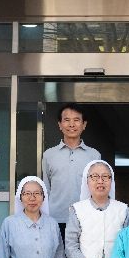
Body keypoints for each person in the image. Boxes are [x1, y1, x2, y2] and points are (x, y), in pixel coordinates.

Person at [65, 160, 129, 258]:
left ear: (111, 181)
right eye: (94, 177)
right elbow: (71, 245)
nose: (100, 181)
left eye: (105, 177)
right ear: (87, 181)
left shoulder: (123, 210)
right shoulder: (77, 209)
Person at [0, 176, 68, 258]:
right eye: (27, 193)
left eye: (37, 193)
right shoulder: (9, 223)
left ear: (43, 197)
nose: (32, 198)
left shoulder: (52, 224)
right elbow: (2, 257)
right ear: (20, 197)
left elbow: (59, 257)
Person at [41, 103, 101, 241]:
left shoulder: (94, 155)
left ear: (84, 124)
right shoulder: (49, 155)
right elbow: (46, 188)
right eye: (67, 120)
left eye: (76, 120)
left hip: (85, 218)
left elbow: (98, 189)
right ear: (60, 124)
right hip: (55, 218)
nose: (71, 124)